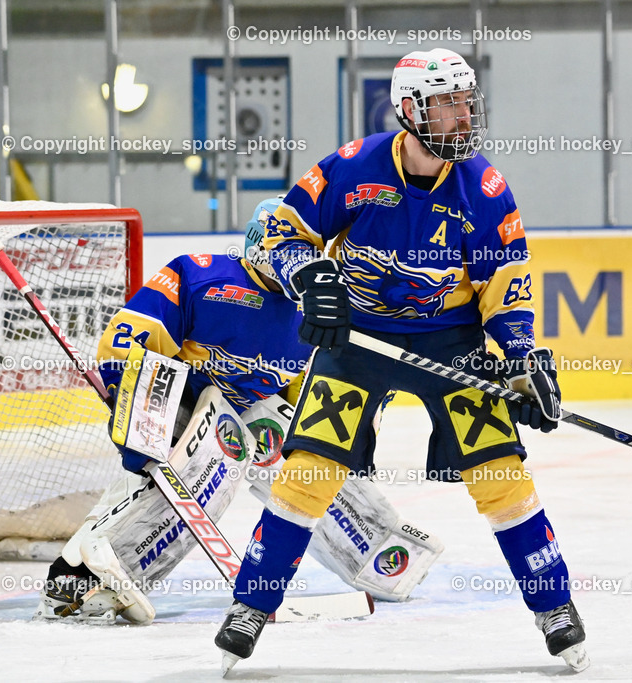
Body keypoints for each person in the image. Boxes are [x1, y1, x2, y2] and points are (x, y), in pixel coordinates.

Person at [214, 48, 589, 674]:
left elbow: (507, 293)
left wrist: (522, 361)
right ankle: (251, 606)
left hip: (453, 344)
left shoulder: (487, 192)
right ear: (411, 108)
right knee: (306, 474)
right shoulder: (351, 168)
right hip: (358, 344)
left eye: (468, 102)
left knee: (501, 477)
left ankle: (554, 606)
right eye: (448, 103)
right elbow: (279, 235)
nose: (464, 116)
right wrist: (309, 275)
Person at [36, 198, 439, 623]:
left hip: (247, 413)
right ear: (258, 246)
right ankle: (77, 579)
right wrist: (139, 414)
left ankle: (374, 550)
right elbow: (126, 340)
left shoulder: (313, 309)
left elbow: (321, 387)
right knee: (212, 465)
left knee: (300, 453)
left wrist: (352, 435)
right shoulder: (200, 275)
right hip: (181, 404)